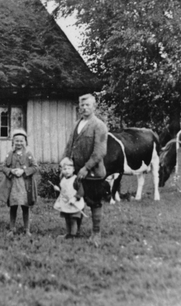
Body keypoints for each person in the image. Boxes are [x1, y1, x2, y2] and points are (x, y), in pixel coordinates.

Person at [60, 94, 108, 247]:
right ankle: (73, 232)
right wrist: (64, 163)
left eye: (88, 105)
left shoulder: (99, 125)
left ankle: (96, 234)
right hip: (76, 173)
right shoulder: (76, 124)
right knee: (75, 201)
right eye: (82, 105)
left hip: (93, 173)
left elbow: (100, 151)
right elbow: (69, 145)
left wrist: (86, 168)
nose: (84, 108)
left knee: (94, 203)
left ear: (94, 107)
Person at [0, 129, 39, 236]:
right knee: (13, 206)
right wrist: (11, 171)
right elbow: (3, 167)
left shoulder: (29, 154)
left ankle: (27, 229)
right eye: (16, 141)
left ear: (25, 142)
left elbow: (35, 167)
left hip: (25, 185)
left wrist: (24, 171)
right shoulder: (10, 154)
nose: (19, 143)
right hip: (13, 185)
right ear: (13, 142)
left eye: (21, 141)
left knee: (25, 206)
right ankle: (12, 229)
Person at [53, 158, 85, 239]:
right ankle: (68, 233)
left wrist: (75, 198)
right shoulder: (63, 180)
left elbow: (81, 191)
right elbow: (64, 191)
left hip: (74, 203)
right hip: (66, 203)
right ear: (62, 170)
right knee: (67, 219)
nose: (67, 171)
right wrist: (58, 189)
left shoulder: (75, 179)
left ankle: (73, 235)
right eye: (64, 169)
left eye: (69, 169)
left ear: (73, 169)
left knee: (73, 219)